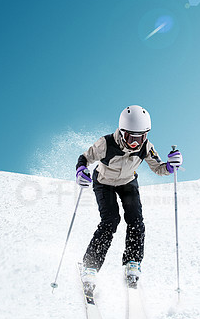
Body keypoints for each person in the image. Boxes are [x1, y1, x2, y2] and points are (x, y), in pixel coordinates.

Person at [75, 105, 183, 293]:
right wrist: (80, 170)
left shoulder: (146, 147)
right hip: (104, 182)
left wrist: (171, 166)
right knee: (110, 220)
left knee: (136, 220)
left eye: (140, 137)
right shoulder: (106, 144)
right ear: (122, 132)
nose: (135, 143)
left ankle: (133, 261)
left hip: (127, 182)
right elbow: (85, 158)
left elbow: (158, 168)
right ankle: (90, 265)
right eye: (130, 138)